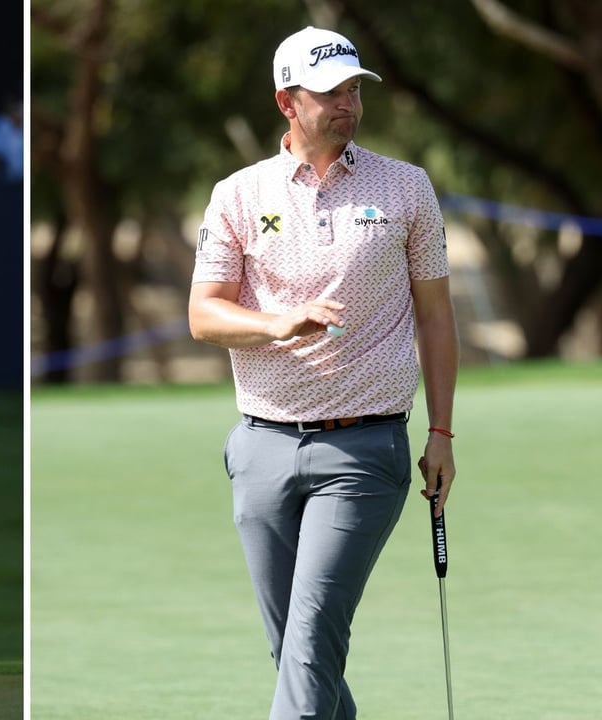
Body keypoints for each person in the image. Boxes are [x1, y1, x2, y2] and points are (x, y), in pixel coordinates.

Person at [187, 26, 458, 719]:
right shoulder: (238, 194)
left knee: (309, 643)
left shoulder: (406, 187)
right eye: (330, 92)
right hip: (262, 446)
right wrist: (278, 323)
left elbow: (436, 317)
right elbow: (204, 315)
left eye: (354, 90)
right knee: (295, 652)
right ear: (288, 102)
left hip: (364, 448)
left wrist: (442, 434)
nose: (348, 103)